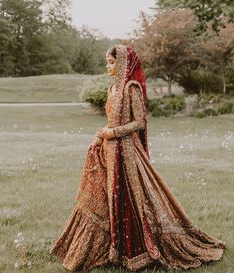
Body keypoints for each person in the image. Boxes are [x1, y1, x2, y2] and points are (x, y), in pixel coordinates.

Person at [49, 44, 225, 271]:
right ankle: (113, 248)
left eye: (111, 62)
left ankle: (137, 248)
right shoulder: (113, 89)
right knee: (109, 198)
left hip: (128, 154)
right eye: (107, 62)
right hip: (109, 152)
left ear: (122, 63)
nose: (108, 66)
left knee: (130, 197)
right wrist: (99, 138)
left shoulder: (131, 88)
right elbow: (111, 121)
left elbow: (139, 123)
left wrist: (112, 133)